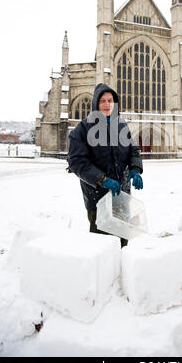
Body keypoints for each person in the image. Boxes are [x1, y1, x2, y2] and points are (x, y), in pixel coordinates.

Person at [68, 83, 143, 248]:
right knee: (102, 245)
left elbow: (133, 150)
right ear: (96, 103)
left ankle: (123, 272)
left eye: (110, 100)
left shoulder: (121, 125)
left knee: (123, 240)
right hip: (98, 197)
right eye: (102, 101)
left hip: (121, 195)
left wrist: (135, 169)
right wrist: (102, 179)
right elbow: (76, 161)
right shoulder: (83, 128)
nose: (107, 104)